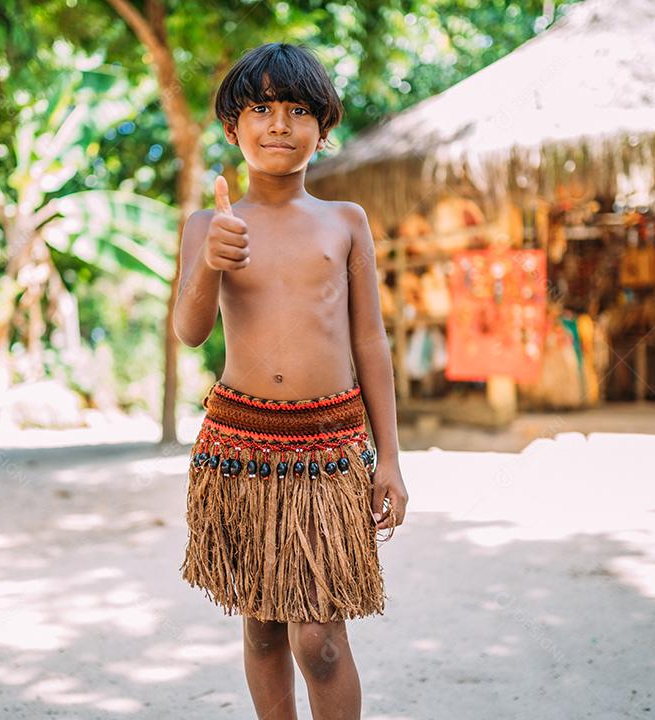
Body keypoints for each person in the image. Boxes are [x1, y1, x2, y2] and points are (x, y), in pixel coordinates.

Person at [175, 42, 409, 720]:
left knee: (322, 639)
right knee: (262, 626)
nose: (279, 124)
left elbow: (371, 340)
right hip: (241, 449)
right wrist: (211, 261)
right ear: (232, 128)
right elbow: (190, 330)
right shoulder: (208, 225)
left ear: (323, 128)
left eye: (298, 109)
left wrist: (389, 457)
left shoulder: (345, 222)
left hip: (331, 449)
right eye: (260, 108)